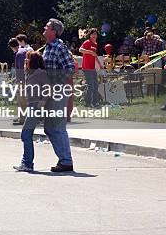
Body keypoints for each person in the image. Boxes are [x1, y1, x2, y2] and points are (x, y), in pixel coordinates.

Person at [42, 18, 75, 172]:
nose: (44, 28)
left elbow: (70, 69)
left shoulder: (59, 47)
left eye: (47, 27)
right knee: (49, 128)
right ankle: (64, 160)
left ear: (54, 31)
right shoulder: (48, 47)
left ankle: (66, 161)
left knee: (57, 127)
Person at [13, 51, 50, 172]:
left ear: (33, 61)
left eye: (27, 59)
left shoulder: (40, 73)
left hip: (36, 106)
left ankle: (27, 163)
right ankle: (27, 163)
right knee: (26, 134)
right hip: (31, 105)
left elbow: (47, 88)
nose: (25, 61)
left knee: (25, 134)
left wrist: (42, 102)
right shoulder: (29, 72)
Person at [79, 28, 102, 108]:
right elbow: (80, 50)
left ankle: (95, 103)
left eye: (95, 34)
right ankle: (88, 103)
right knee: (91, 85)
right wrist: (90, 52)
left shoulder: (95, 44)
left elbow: (94, 55)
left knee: (96, 85)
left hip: (92, 68)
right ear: (90, 35)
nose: (94, 35)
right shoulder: (87, 42)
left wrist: (99, 64)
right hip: (86, 67)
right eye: (93, 34)